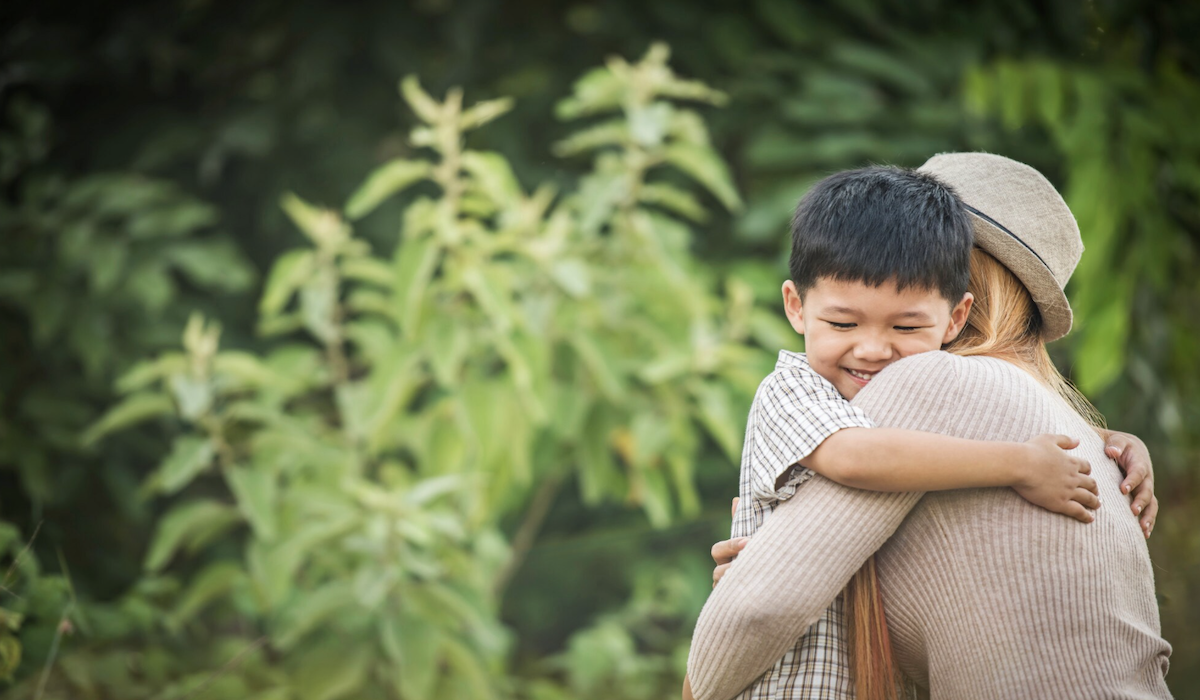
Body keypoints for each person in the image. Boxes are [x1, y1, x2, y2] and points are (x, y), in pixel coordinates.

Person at [686, 152, 1170, 700]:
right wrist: (783, 552)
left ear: (962, 296)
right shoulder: (1071, 434)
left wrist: (756, 586)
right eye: (845, 319)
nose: (872, 346)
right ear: (798, 305)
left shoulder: (932, 384)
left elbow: (758, 607)